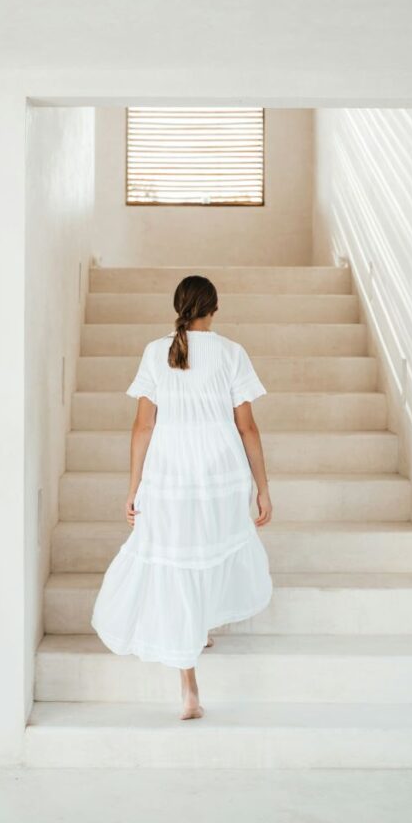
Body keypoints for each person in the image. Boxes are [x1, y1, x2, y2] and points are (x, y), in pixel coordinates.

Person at [91, 274, 273, 720]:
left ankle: (188, 686)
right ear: (215, 308)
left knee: (176, 560)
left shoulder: (157, 352)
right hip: (221, 471)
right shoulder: (231, 353)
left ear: (178, 307)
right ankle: (200, 629)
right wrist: (263, 486)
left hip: (168, 472)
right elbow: (247, 426)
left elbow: (142, 426)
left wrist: (133, 487)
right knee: (207, 550)